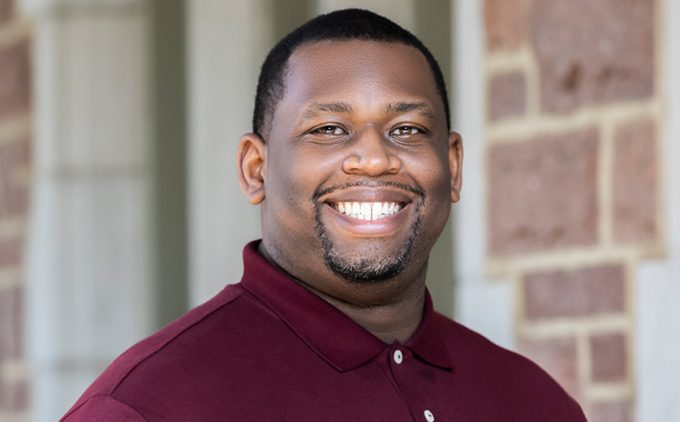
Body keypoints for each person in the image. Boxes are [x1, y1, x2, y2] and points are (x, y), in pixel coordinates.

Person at [61, 9, 586, 421]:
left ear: (452, 166)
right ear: (256, 169)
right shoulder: (146, 406)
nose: (375, 158)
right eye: (329, 130)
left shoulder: (536, 402)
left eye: (406, 129)